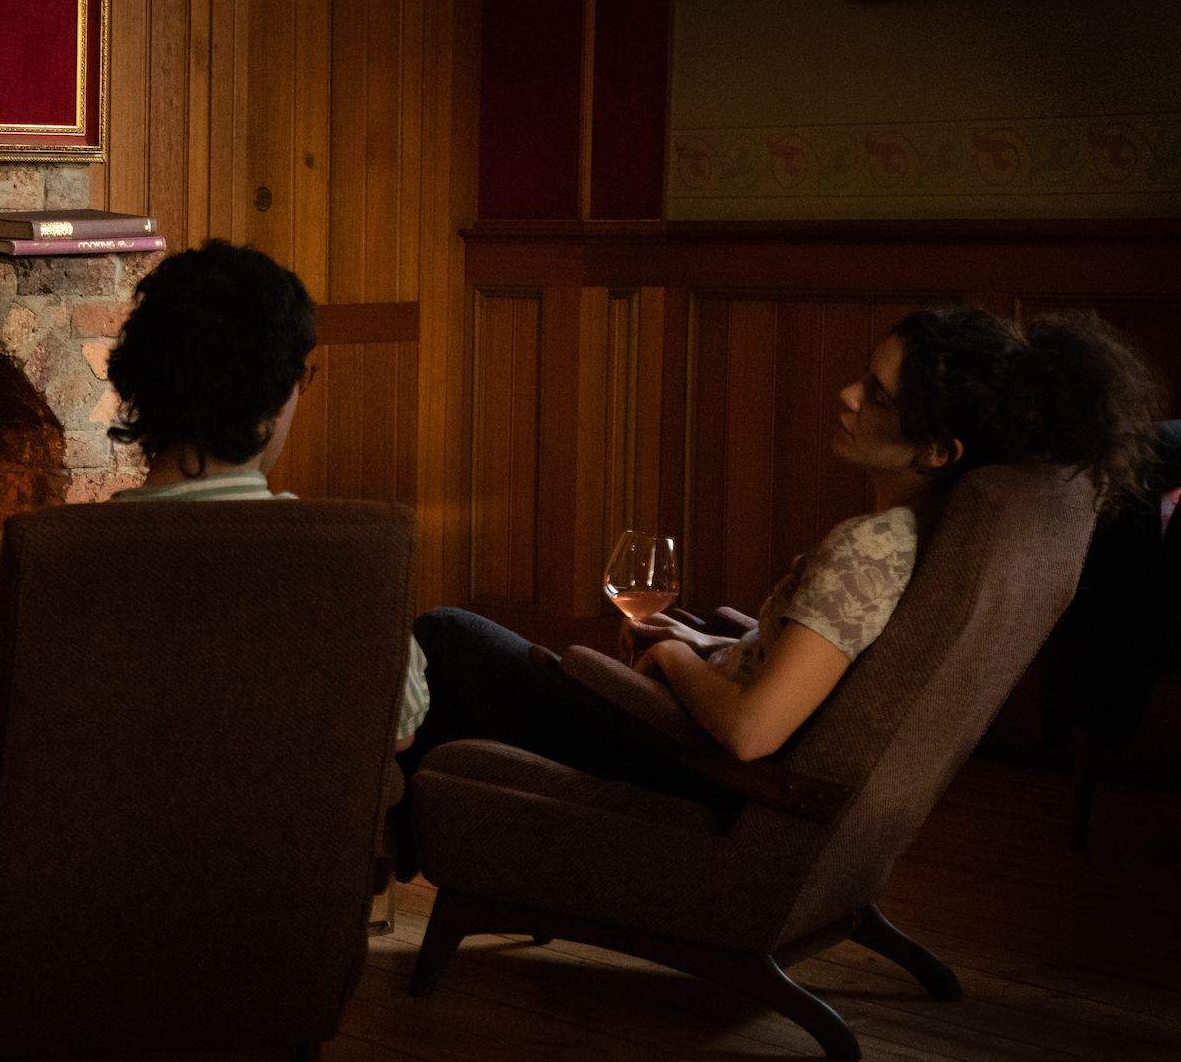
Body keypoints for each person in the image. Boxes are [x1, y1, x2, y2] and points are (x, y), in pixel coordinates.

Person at [0, 240, 431, 982]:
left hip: (59, 943)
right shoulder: (357, 565)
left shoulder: (33, 560)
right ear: (279, 399)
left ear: (138, 389)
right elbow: (398, 729)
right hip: (268, 952)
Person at [398, 308, 1162, 846]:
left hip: (690, 769)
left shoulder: (871, 551)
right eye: (865, 375)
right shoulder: (923, 535)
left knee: (446, 637)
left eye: (879, 397)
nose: (847, 397)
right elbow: (808, 663)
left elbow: (752, 732)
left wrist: (669, 659)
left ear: (936, 451)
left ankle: (390, 855)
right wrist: (709, 638)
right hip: (697, 731)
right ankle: (444, 846)